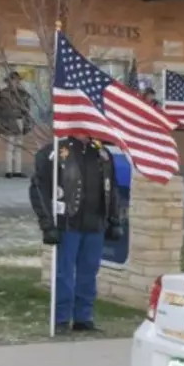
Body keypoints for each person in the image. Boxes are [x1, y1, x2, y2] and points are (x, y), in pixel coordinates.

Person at [29, 136, 122, 334]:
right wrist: (47, 224)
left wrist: (114, 219)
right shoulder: (54, 151)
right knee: (64, 274)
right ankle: (61, 319)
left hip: (95, 224)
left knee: (89, 273)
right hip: (67, 224)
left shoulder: (102, 152)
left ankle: (83, 318)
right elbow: (39, 189)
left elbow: (111, 188)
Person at [0, 71, 34, 179]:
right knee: (9, 147)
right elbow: (0, 112)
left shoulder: (22, 94)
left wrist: (26, 121)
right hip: (8, 121)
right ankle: (9, 171)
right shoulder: (3, 94)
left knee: (19, 147)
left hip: (20, 120)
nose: (15, 82)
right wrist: (2, 123)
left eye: (17, 80)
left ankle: (17, 171)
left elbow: (27, 109)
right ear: (8, 81)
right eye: (13, 80)